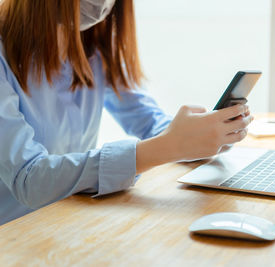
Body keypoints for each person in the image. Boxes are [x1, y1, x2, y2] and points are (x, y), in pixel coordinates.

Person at [0, 0, 253, 225]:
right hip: (15, 238)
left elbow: (149, 121)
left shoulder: (93, 46)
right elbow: (30, 180)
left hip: (68, 221)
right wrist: (168, 146)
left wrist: (207, 133)